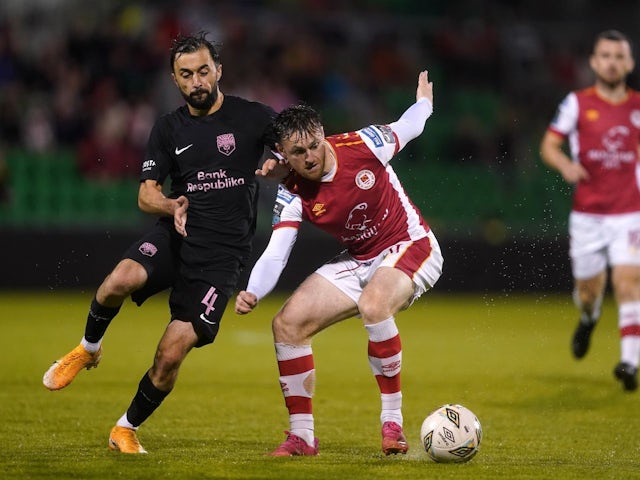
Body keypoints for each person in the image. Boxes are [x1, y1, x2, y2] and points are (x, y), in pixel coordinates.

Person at [42, 31, 283, 453]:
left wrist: (276, 159)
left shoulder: (254, 117)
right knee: (119, 280)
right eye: (186, 75)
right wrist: (170, 206)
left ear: (219, 71)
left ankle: (125, 427)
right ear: (175, 80)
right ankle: (88, 348)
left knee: (171, 354)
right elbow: (144, 193)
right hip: (177, 233)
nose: (197, 82)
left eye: (204, 71)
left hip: (222, 258)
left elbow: (293, 145)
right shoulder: (168, 128)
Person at [235, 70, 443, 456]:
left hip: (410, 243)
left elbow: (409, 126)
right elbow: (277, 251)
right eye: (297, 153)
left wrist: (425, 104)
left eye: (313, 145)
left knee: (374, 304)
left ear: (322, 133)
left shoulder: (364, 144)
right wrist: (252, 290)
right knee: (287, 325)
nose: (309, 157)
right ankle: (302, 437)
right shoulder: (292, 192)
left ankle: (392, 424)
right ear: (283, 156)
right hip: (361, 258)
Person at [540, 29, 640, 392]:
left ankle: (629, 362)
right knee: (588, 292)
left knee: (627, 283)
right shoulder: (577, 103)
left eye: (619, 56)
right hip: (587, 215)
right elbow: (549, 146)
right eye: (606, 56)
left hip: (629, 212)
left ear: (629, 63)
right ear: (595, 62)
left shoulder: (638, 107)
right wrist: (565, 165)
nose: (612, 62)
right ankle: (589, 318)